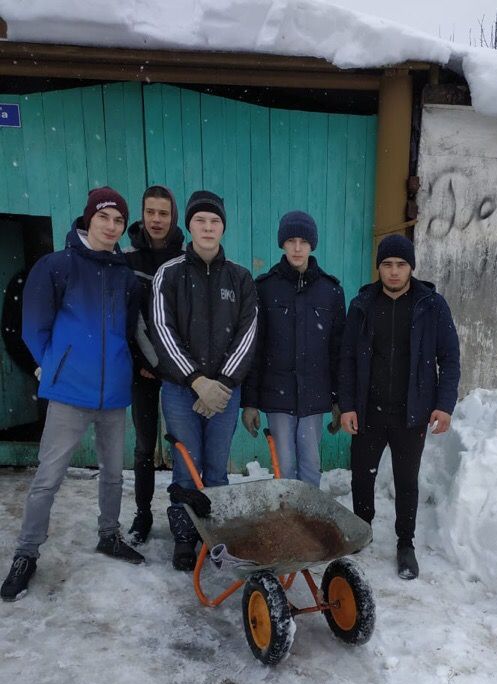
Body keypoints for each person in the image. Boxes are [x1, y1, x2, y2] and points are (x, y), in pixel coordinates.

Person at [1, 186, 144, 602]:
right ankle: (26, 554)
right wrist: (51, 364)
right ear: (88, 220)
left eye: (118, 220)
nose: (112, 226)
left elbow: (129, 330)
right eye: (104, 218)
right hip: (67, 393)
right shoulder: (56, 266)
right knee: (48, 478)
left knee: (114, 474)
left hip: (113, 394)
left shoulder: (125, 275)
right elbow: (33, 325)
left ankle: (109, 534)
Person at [338, 234, 460, 581]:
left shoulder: (431, 305)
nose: (394, 272)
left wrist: (444, 405)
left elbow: (449, 358)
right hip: (368, 410)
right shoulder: (362, 304)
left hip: (412, 413)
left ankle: (405, 545)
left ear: (411, 268)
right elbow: (347, 359)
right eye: (388, 265)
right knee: (362, 477)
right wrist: (347, 406)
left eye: (401, 265)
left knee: (407, 481)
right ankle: (361, 531)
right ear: (379, 267)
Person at [150, 190, 258, 571]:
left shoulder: (241, 278)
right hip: (181, 390)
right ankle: (184, 535)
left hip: (226, 392)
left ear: (223, 227)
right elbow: (163, 331)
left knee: (215, 468)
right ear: (190, 226)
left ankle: (214, 536)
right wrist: (197, 381)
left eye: (215, 221)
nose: (208, 227)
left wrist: (222, 383)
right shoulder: (170, 274)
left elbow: (247, 334)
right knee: (186, 466)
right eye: (201, 221)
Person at [241, 210, 345, 486]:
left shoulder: (330, 291)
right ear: (282, 244)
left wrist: (338, 400)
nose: (297, 248)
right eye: (291, 241)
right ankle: (287, 522)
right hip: (277, 395)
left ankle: (307, 525)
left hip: (315, 394)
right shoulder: (265, 288)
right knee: (284, 466)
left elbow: (337, 351)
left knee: (311, 465)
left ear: (312, 245)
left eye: (303, 241)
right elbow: (256, 348)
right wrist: (250, 402)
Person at [123, 184, 185, 544]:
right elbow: (125, 316)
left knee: (182, 445)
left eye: (163, 213)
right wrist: (139, 361)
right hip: (142, 369)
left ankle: (183, 517)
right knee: (145, 445)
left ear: (172, 216)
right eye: (151, 212)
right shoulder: (128, 258)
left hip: (178, 370)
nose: (157, 220)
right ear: (142, 214)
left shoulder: (184, 257)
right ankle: (143, 514)